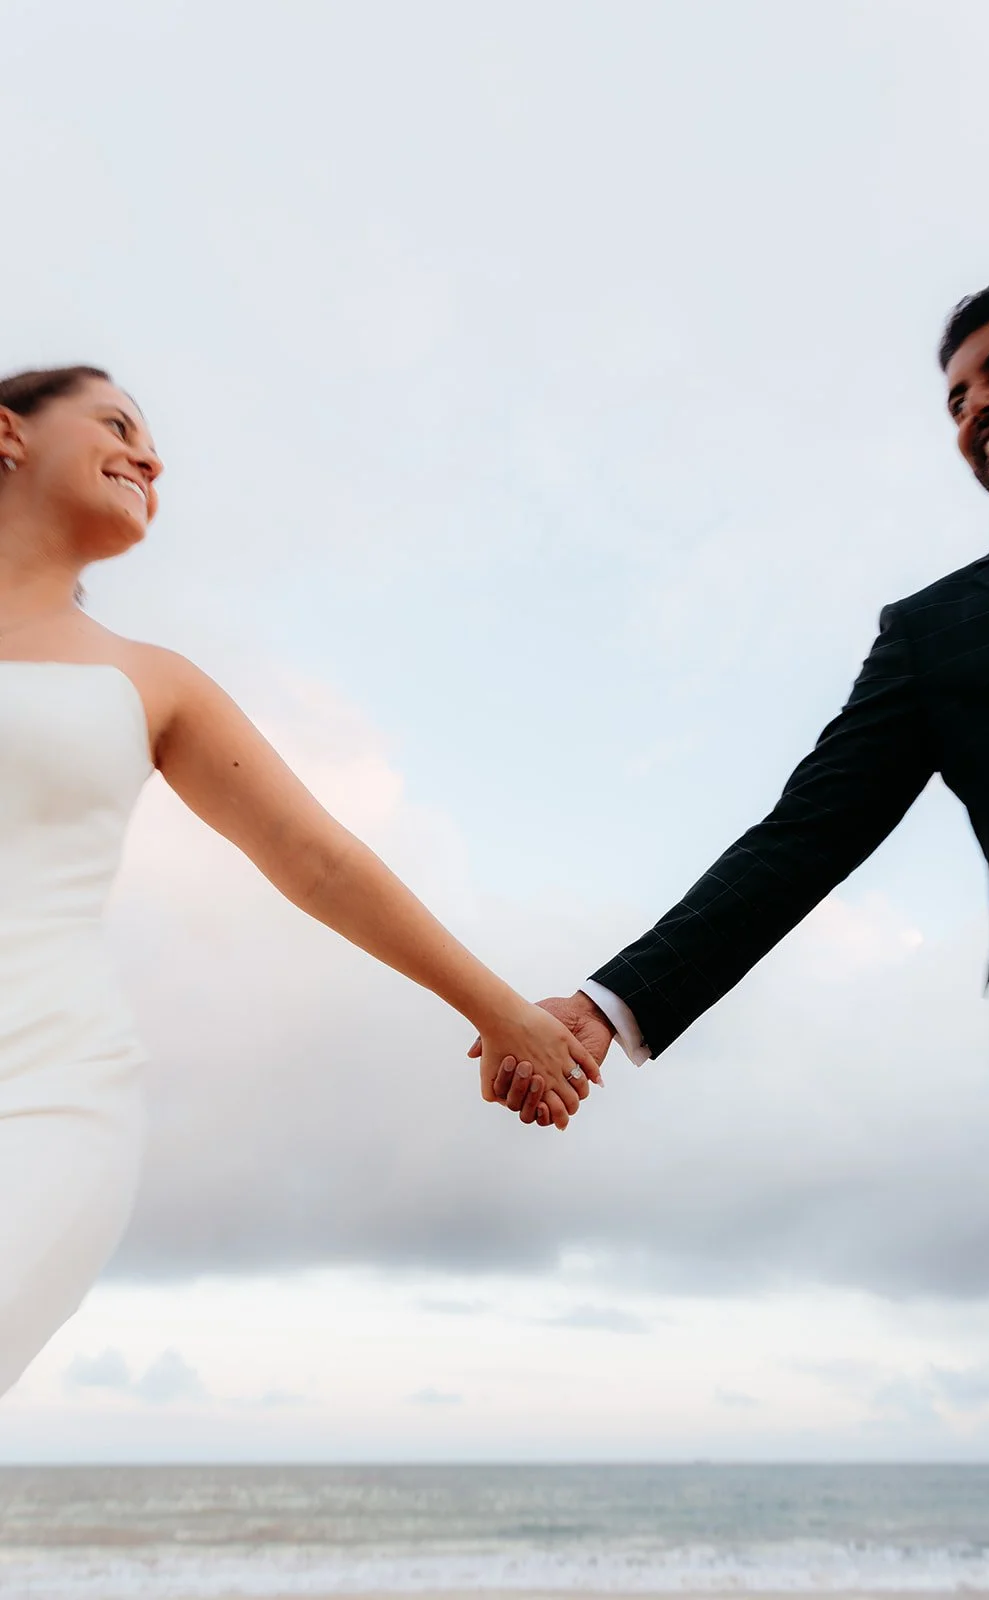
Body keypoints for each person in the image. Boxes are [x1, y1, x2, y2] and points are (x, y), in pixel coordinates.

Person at [0, 364, 598, 1400]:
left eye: (152, 441)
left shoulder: (154, 682)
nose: (151, 454)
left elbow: (317, 861)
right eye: (116, 422)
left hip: (44, 1095)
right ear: (8, 434)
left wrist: (505, 1014)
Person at [515, 281, 989, 1176]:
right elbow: (804, 837)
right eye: (956, 401)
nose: (977, 407)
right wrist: (611, 1003)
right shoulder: (937, 634)